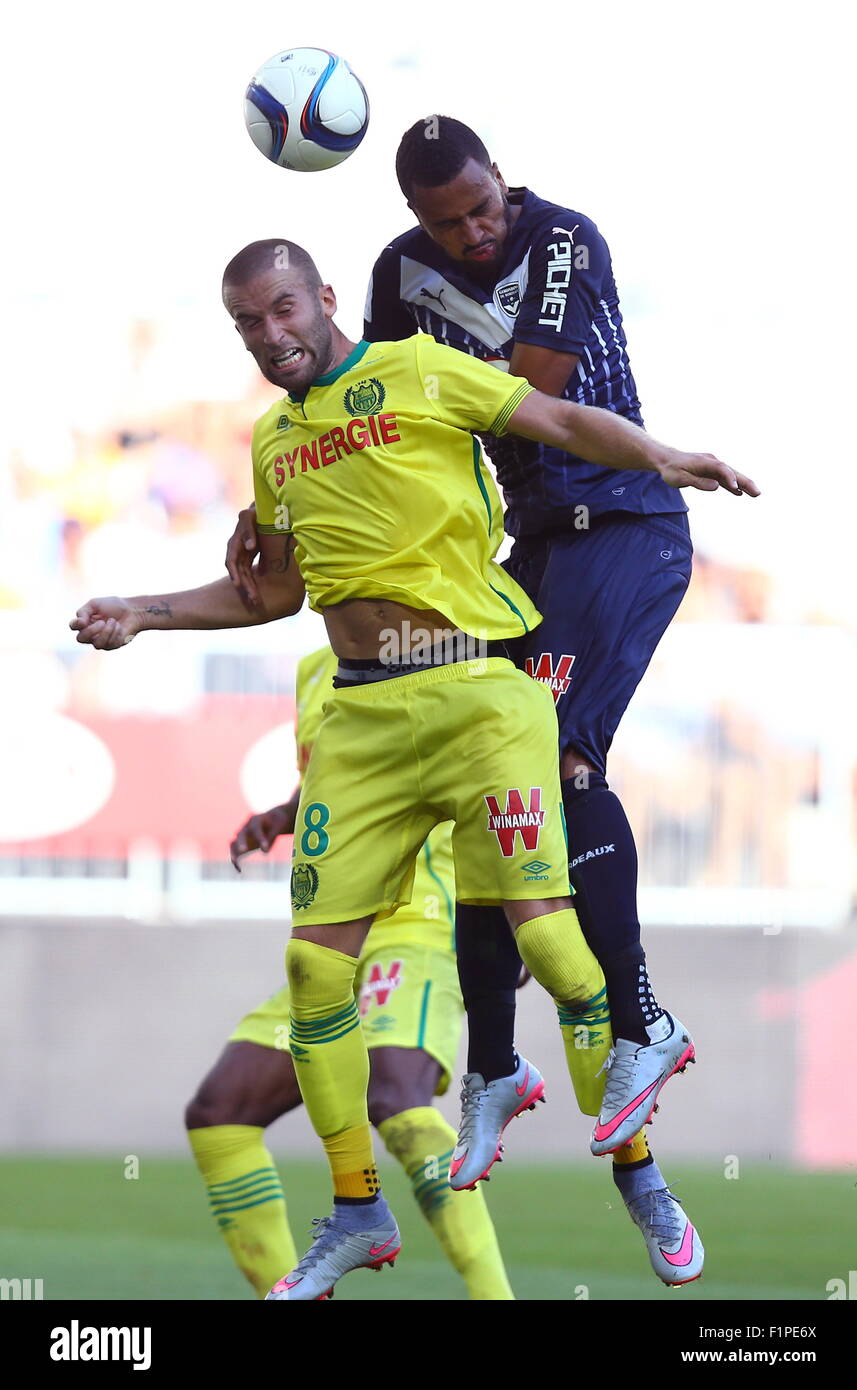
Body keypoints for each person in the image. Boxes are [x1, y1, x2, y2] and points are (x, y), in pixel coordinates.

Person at [71, 238, 755, 1299]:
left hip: (477, 689)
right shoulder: (271, 444)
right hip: (363, 717)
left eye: (283, 309)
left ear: (325, 298)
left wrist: (659, 456)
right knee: (310, 973)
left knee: (554, 946)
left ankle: (640, 1168)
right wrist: (145, 612)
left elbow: (561, 420)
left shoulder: (416, 367)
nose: (271, 336)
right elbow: (267, 595)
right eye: (248, 324)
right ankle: (355, 1208)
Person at [186, 645, 515, 1301]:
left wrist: (516, 914)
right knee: (219, 1111)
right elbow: (341, 774)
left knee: (394, 1096)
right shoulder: (313, 667)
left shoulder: (448, 642)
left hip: (422, 916)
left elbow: (510, 776)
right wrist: (286, 812)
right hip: (337, 930)